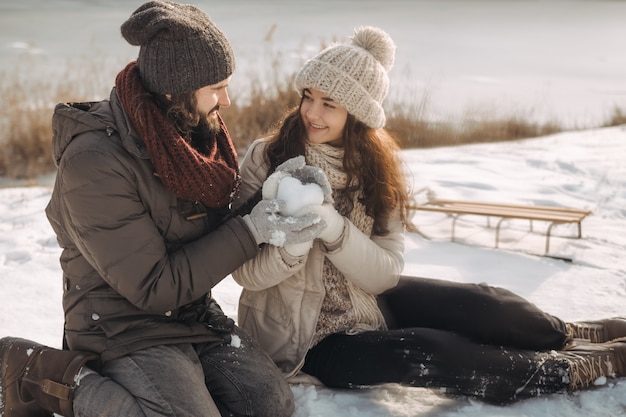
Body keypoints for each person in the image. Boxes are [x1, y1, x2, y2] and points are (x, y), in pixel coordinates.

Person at [230, 25, 626, 405]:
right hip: (304, 340)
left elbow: (384, 274)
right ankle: (570, 368)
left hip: (367, 300)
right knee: (431, 351)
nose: (311, 112)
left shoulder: (374, 169)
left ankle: (563, 333)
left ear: (358, 114)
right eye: (308, 96)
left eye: (329, 104)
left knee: (482, 304)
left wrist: (333, 228)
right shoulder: (268, 159)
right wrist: (295, 245)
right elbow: (244, 272)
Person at [0, 1, 326, 416]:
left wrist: (273, 200)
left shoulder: (187, 135)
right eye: (216, 88)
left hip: (191, 312)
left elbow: (212, 229)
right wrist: (252, 228)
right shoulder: (95, 163)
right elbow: (153, 287)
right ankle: (41, 377)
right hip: (119, 324)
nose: (226, 100)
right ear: (175, 89)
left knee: (269, 403)